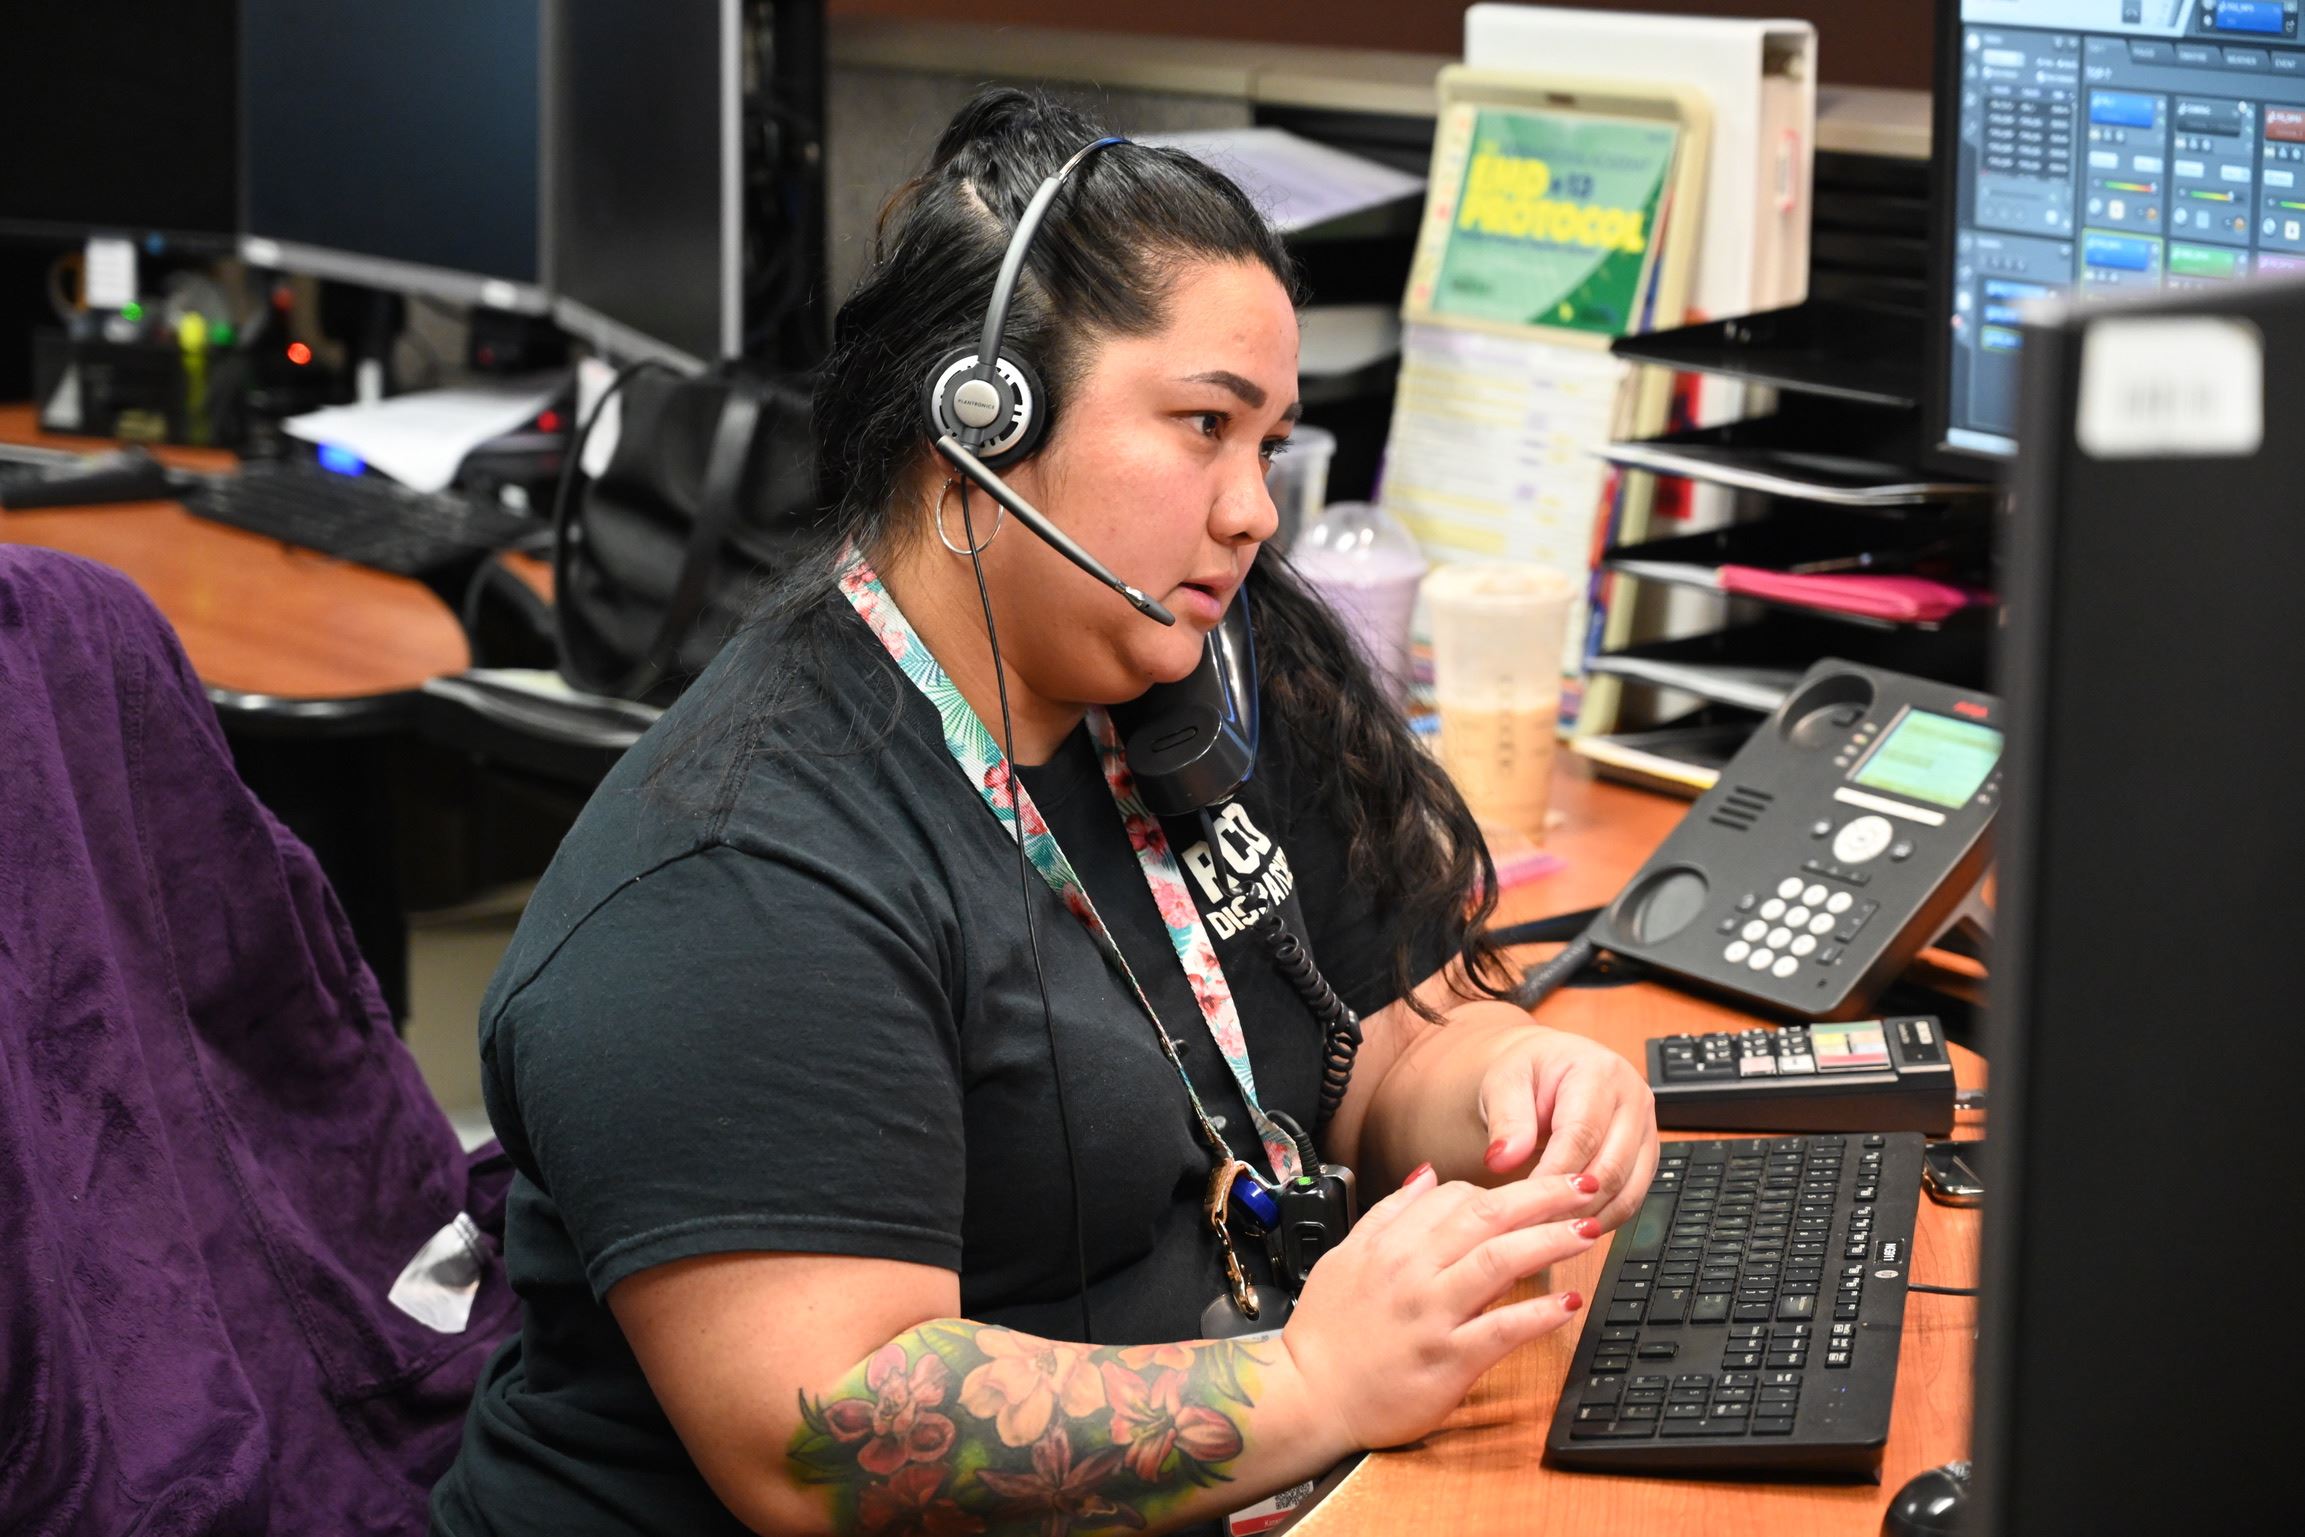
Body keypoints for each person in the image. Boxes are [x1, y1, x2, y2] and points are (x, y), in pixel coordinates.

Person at [430, 89, 1657, 1537]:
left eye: (1265, 442)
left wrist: (1512, 1091)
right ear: (980, 416)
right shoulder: (739, 869)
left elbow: (1377, 1041)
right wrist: (1312, 1381)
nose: (1253, 507)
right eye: (1204, 424)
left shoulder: (1193, 670)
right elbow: (825, 1436)